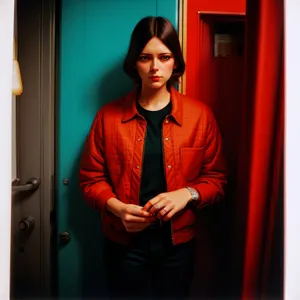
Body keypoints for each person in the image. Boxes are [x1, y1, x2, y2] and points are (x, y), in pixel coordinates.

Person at [79, 16, 227, 300]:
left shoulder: (200, 116)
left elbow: (218, 179)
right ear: (135, 62)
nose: (155, 67)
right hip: (123, 244)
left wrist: (187, 194)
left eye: (164, 56)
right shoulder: (107, 118)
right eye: (146, 57)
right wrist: (118, 209)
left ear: (175, 62)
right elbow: (90, 180)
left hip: (178, 245)